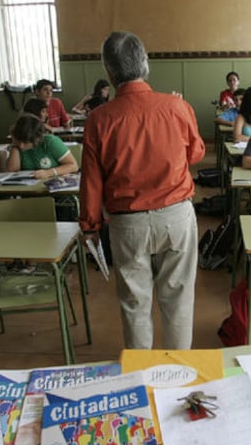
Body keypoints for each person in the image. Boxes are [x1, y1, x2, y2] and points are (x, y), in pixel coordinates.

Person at [79, 31, 205, 350]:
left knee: (135, 305)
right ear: (145, 63)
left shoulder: (98, 119)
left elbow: (91, 179)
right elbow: (196, 154)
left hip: (127, 224)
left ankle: (143, 378)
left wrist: (90, 225)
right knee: (178, 300)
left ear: (109, 71)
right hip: (176, 215)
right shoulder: (176, 106)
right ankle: (179, 376)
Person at [6, 115, 78, 179]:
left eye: (26, 142)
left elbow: (73, 166)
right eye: (19, 141)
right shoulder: (17, 145)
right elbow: (12, 171)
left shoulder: (50, 142)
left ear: (36, 138)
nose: (21, 146)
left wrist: (49, 173)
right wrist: (15, 146)